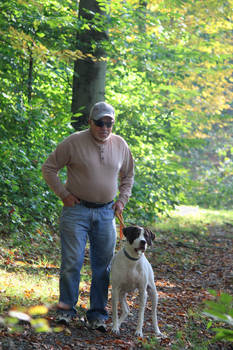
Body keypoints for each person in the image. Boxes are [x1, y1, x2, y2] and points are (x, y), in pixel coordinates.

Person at [42, 101, 134, 331]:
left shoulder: (120, 145)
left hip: (106, 212)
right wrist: (63, 194)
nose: (105, 127)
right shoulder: (74, 142)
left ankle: (97, 314)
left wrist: (121, 200)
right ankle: (65, 311)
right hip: (76, 211)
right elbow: (49, 167)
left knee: (102, 266)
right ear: (91, 122)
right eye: (100, 122)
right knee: (72, 262)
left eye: (109, 123)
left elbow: (129, 176)